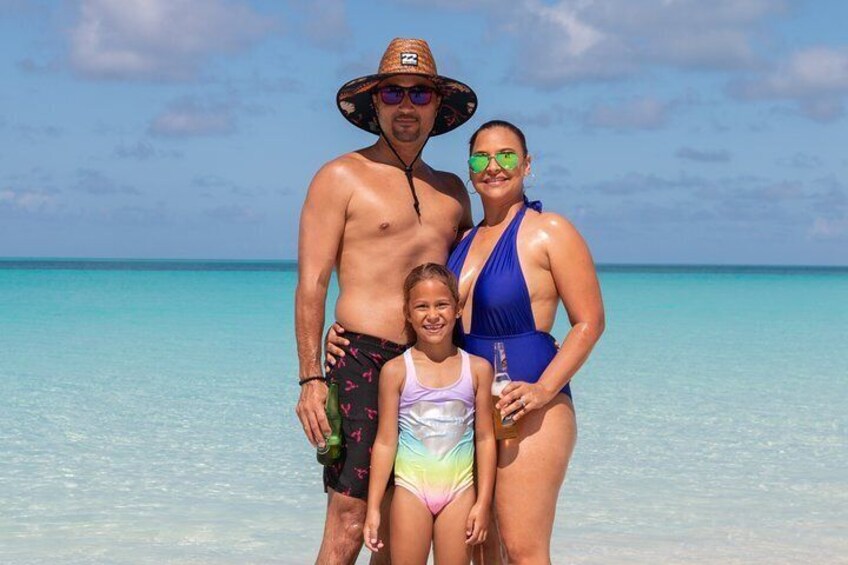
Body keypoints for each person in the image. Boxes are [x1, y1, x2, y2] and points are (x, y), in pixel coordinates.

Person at [294, 38, 477, 563]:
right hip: (360, 361)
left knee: (403, 521)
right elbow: (312, 283)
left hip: (432, 367)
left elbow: (479, 272)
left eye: (420, 95)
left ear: (437, 108)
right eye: (394, 93)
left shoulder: (451, 192)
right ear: (374, 102)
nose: (406, 106)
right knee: (350, 519)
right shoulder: (339, 177)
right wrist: (310, 377)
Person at [446, 119, 605, 562]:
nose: (493, 166)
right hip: (470, 407)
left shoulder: (549, 230)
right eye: (481, 157)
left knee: (523, 549)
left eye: (507, 155)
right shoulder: (461, 241)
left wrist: (542, 390)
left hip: (531, 407)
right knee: (479, 548)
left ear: (527, 164)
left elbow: (589, 322)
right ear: (469, 169)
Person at [363, 263, 496, 564]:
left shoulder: (477, 370)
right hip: (411, 491)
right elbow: (385, 442)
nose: (432, 315)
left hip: (461, 492)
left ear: (458, 308)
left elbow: (486, 439)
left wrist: (483, 502)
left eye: (442, 305)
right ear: (408, 313)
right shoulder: (396, 371)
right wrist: (373, 507)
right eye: (421, 306)